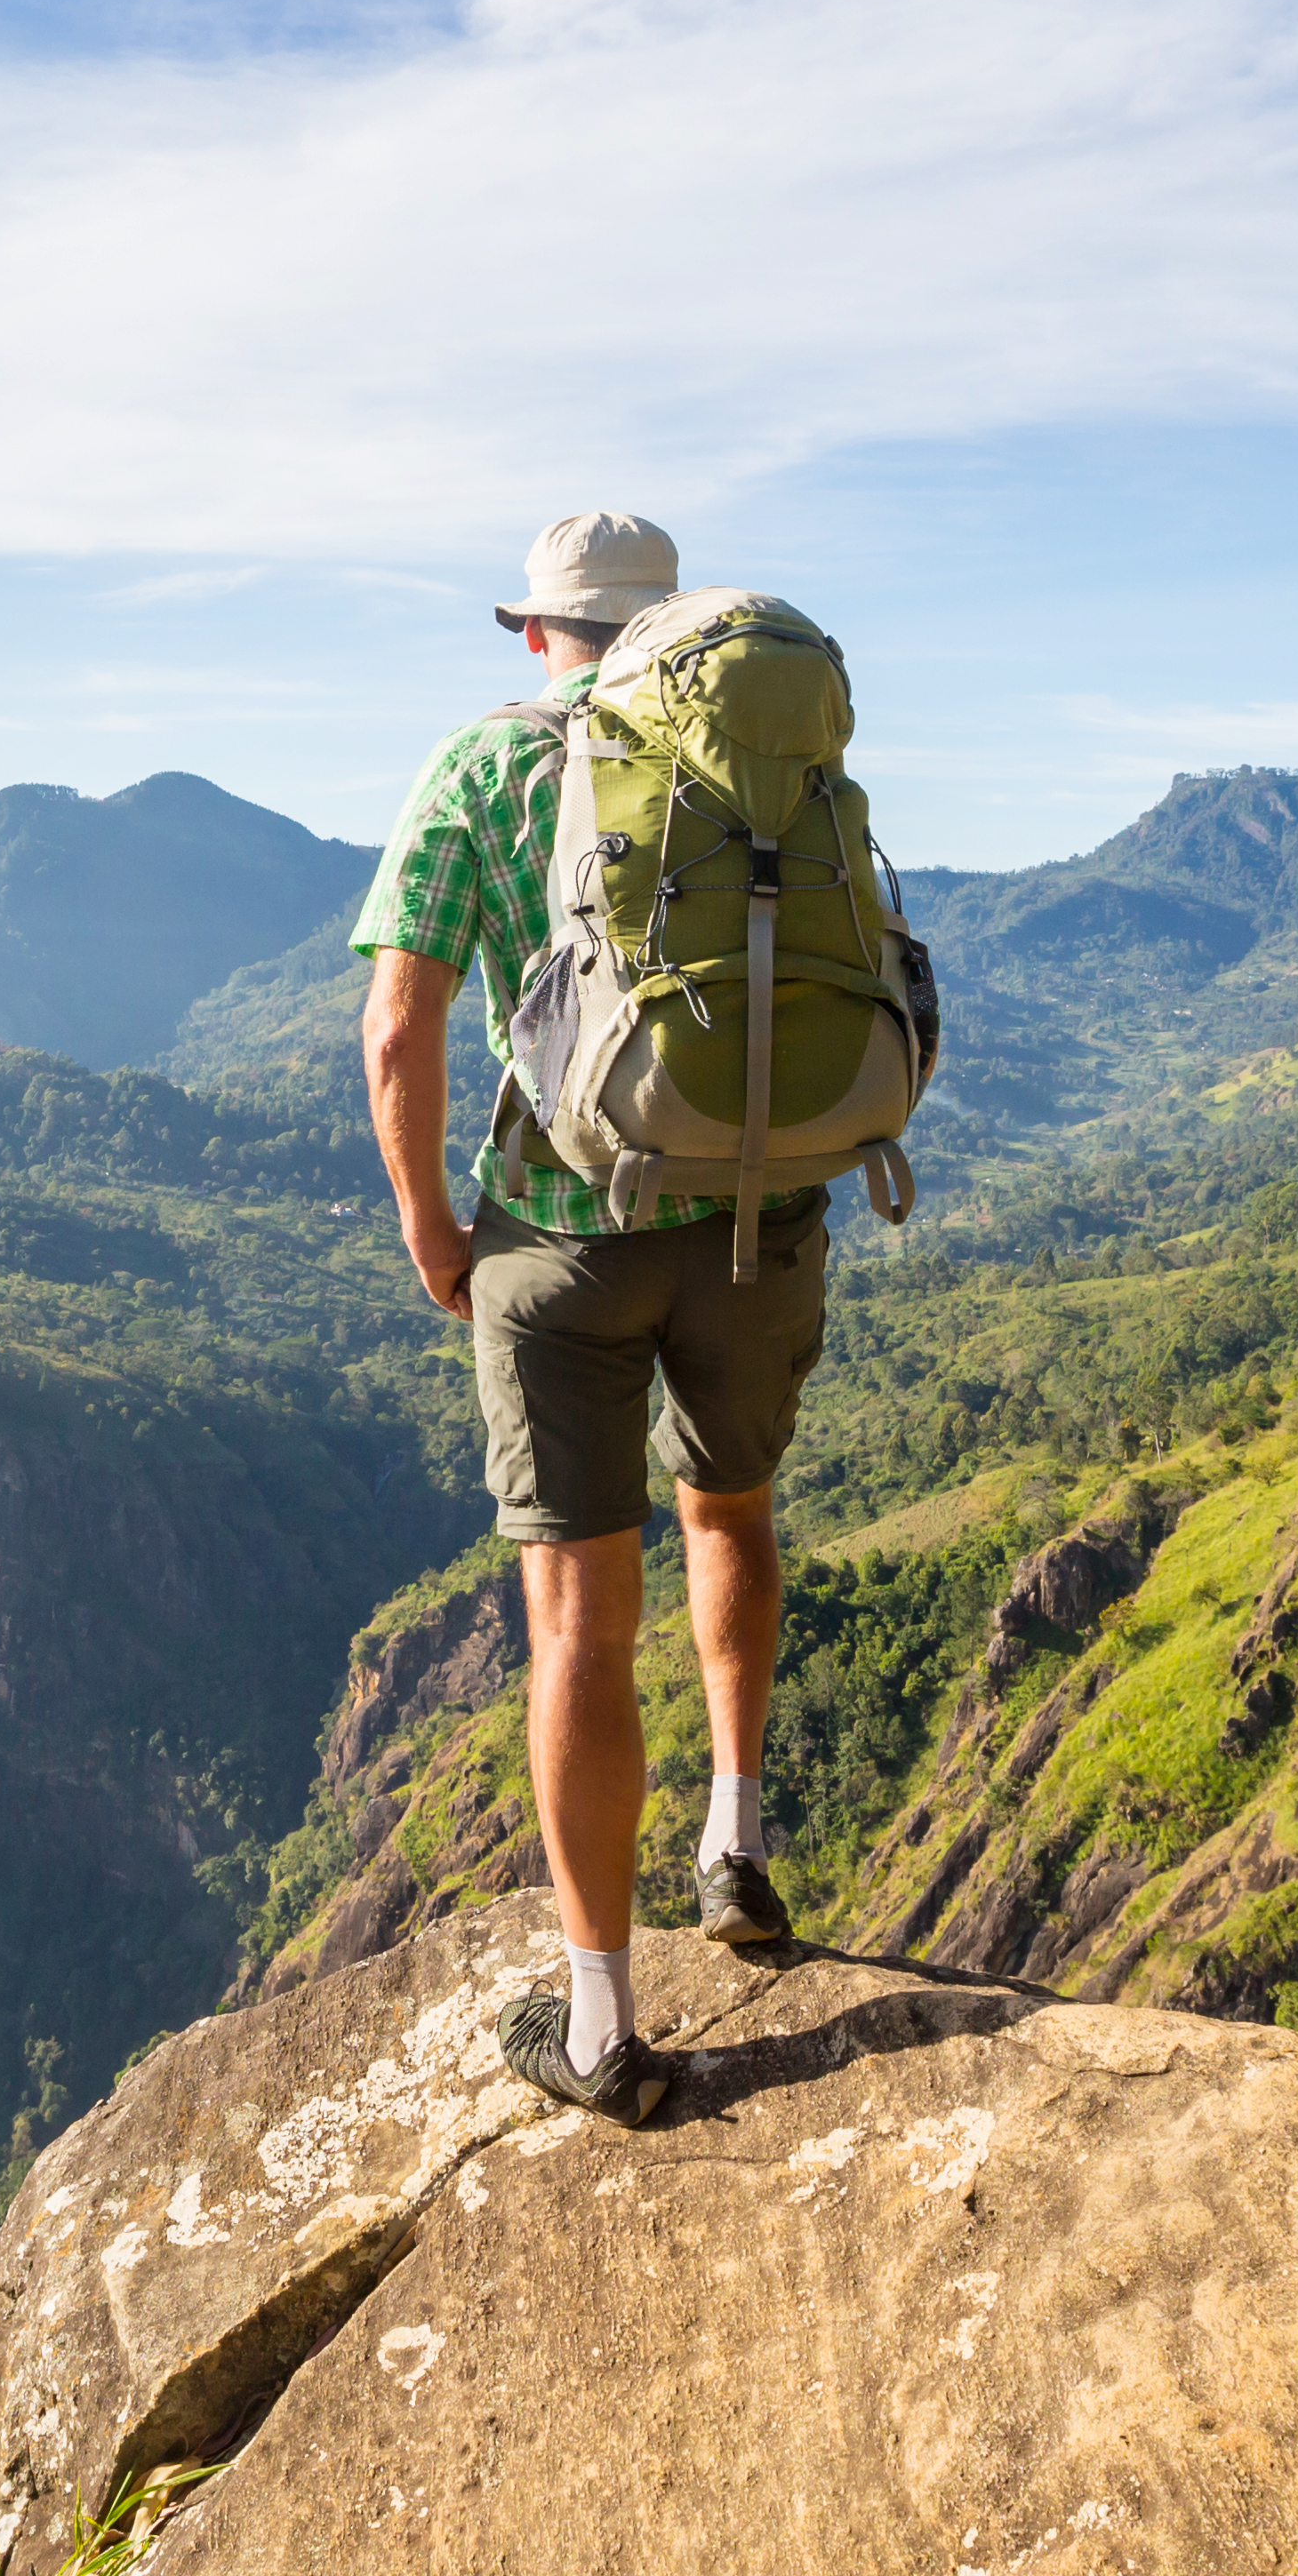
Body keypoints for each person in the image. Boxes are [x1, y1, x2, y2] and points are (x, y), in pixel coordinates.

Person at [353, 509, 828, 2128]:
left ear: (540, 633)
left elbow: (402, 1026)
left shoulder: (482, 773)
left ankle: (604, 2021)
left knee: (579, 1627)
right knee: (736, 1509)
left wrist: (435, 1229)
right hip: (756, 1215)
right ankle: (738, 1842)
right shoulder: (747, 759)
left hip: (561, 1240)